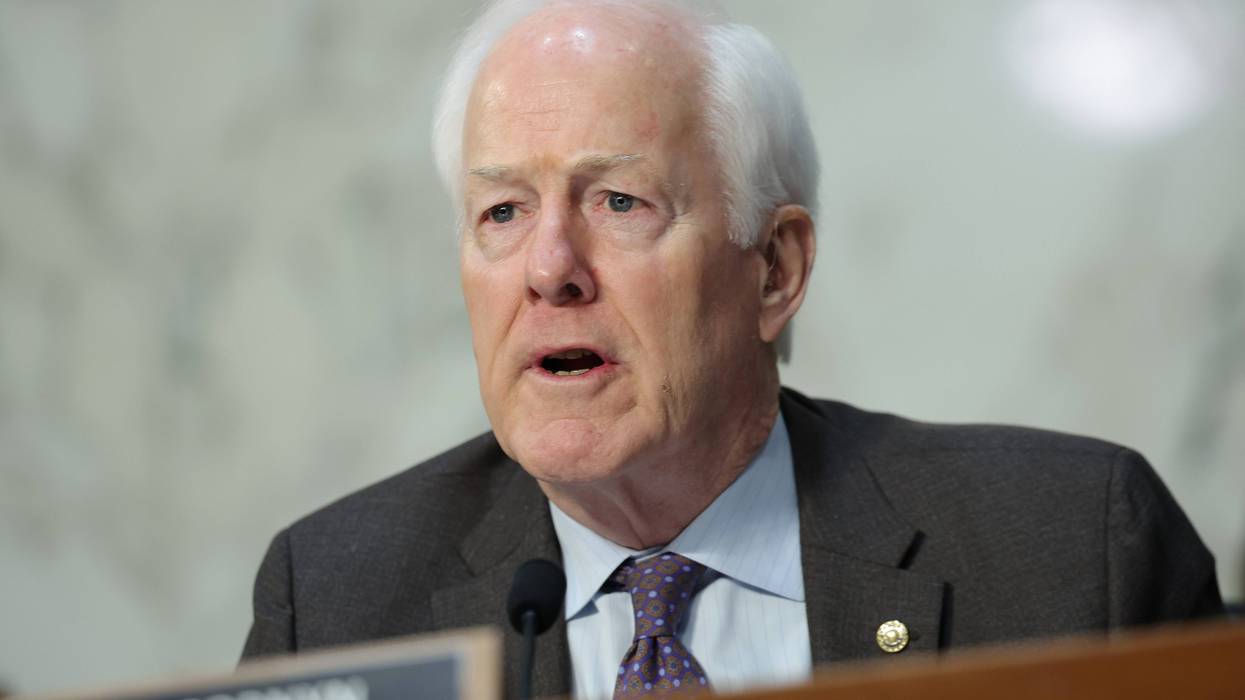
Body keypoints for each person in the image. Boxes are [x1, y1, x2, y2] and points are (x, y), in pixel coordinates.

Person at [241, 1, 1224, 698]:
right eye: (502, 211)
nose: (549, 268)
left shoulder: (1073, 555)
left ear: (775, 269)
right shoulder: (337, 603)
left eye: (618, 200)